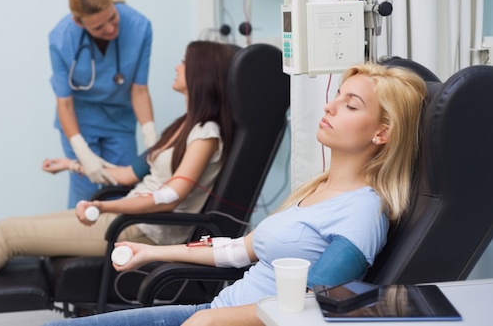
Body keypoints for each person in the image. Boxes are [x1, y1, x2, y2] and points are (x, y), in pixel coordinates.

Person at [0, 41, 237, 326]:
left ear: (201, 74)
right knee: (6, 228)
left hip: (141, 232)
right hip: (130, 221)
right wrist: (72, 164)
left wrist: (104, 206)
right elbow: (127, 175)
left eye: (185, 63)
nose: (177, 66)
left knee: (10, 233)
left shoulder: (206, 134)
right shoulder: (182, 126)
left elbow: (170, 197)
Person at [38, 62, 428, 326]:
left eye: (350, 104)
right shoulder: (319, 189)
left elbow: (309, 304)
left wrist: (213, 319)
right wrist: (153, 253)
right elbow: (237, 250)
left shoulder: (362, 212)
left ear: (381, 133)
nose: (330, 105)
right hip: (214, 312)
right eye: (337, 94)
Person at [48, 0, 157, 208]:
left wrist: (152, 139)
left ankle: (118, 245)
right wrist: (81, 152)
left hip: (119, 121)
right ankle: (78, 243)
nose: (110, 29)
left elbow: (139, 90)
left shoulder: (139, 26)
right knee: (84, 195)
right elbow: (64, 104)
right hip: (80, 121)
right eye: (98, 27)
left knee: (121, 192)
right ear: (78, 23)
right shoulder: (60, 39)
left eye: (112, 18)